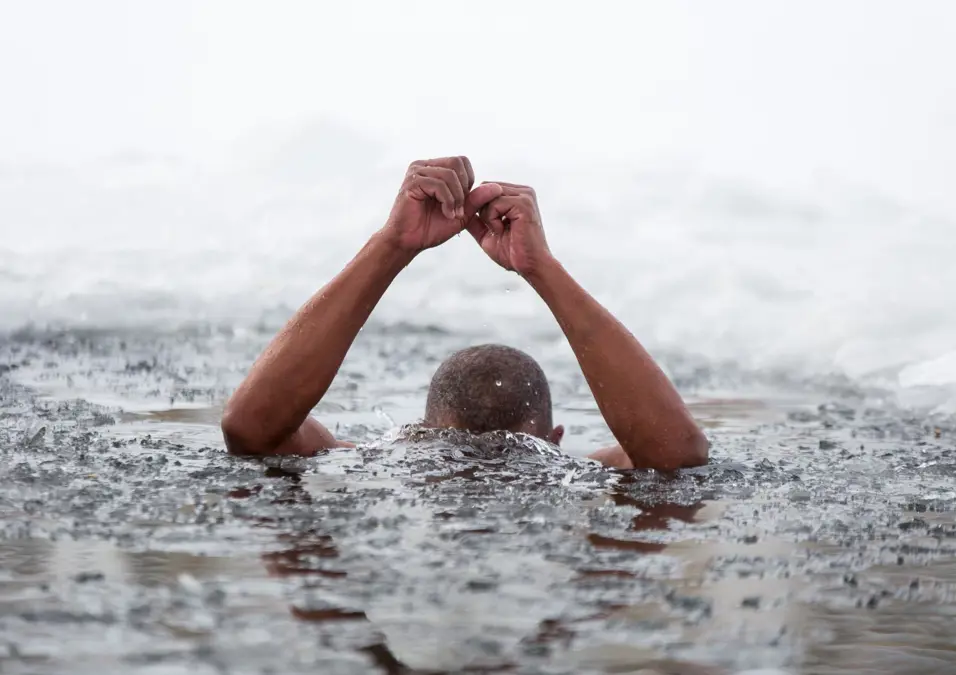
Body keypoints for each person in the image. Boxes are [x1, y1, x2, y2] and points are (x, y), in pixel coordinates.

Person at [221, 156, 708, 470]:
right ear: (555, 441)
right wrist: (541, 268)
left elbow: (249, 428)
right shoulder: (579, 471)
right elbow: (677, 455)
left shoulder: (379, 460)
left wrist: (393, 245)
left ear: (416, 433)